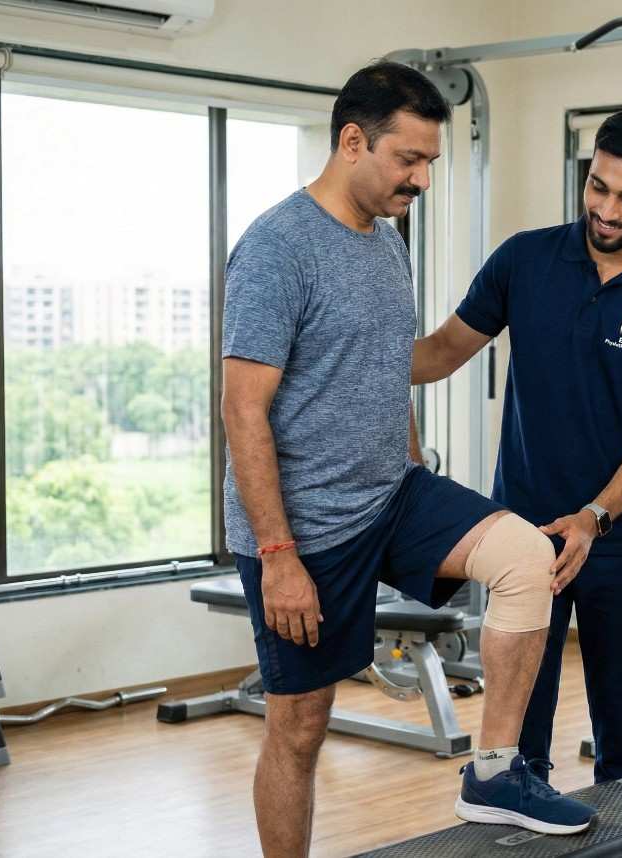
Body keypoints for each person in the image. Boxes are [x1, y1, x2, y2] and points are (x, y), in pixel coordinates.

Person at [221, 60, 595, 857]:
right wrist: (280, 555)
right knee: (299, 729)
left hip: (392, 493)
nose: (422, 178)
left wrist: (413, 450)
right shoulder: (277, 249)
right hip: (308, 527)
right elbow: (242, 408)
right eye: (409, 159)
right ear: (352, 142)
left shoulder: (387, 241)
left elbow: (384, 362)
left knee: (529, 555)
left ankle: (494, 772)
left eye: (430, 162)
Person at [412, 110, 622, 785]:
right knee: (519, 738)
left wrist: (593, 517)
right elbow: (436, 355)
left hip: (618, 537)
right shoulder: (526, 259)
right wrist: (342, 357)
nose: (606, 210)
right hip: (519, 534)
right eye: (598, 187)